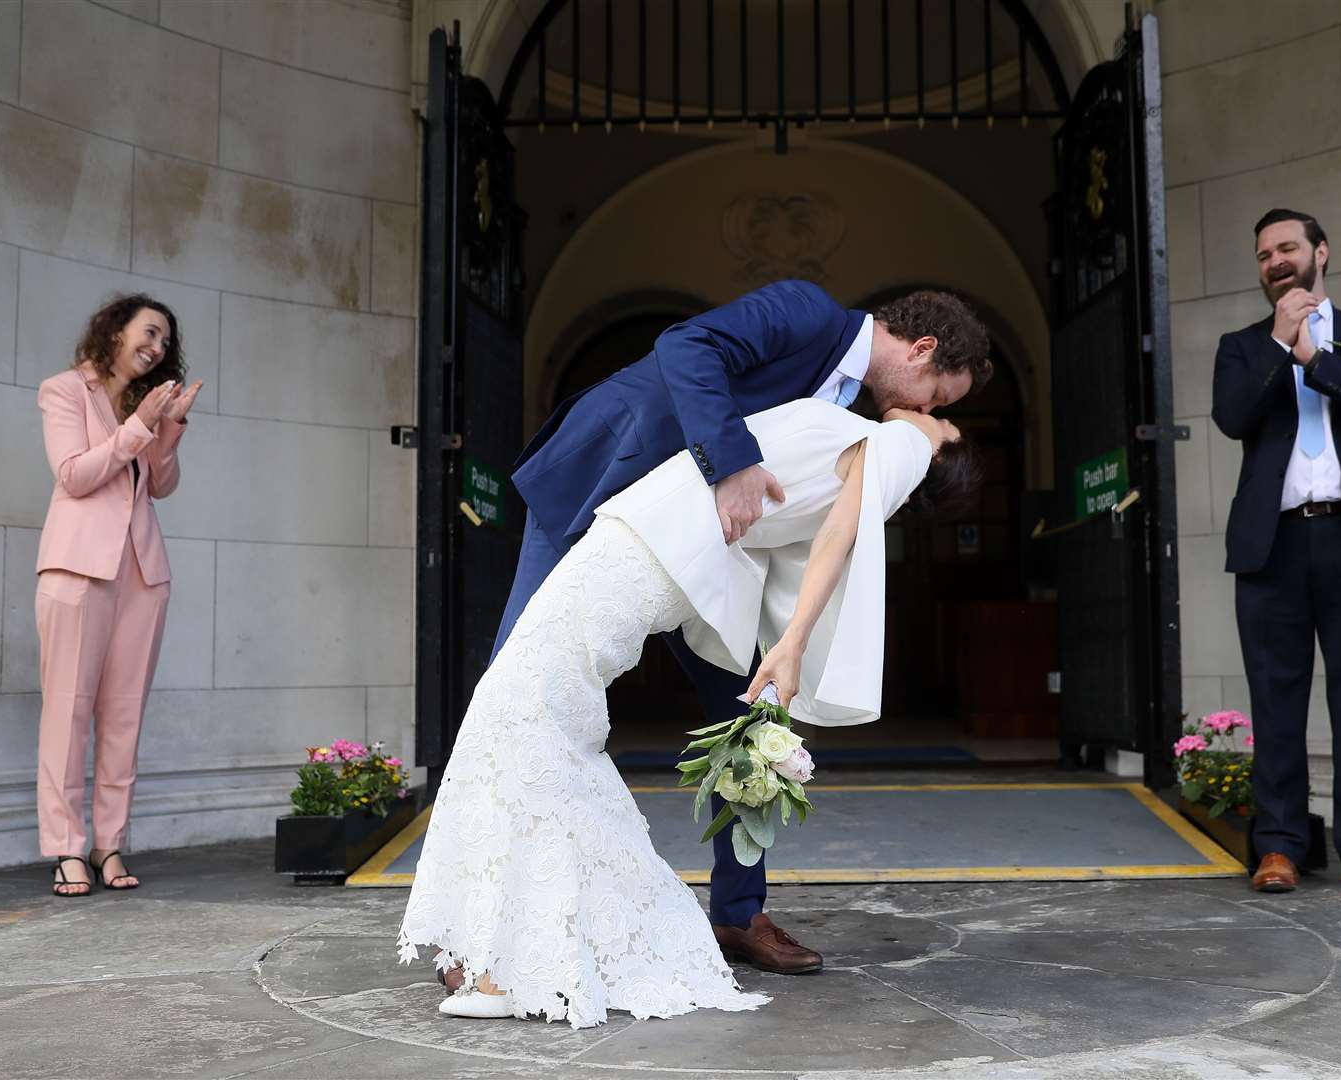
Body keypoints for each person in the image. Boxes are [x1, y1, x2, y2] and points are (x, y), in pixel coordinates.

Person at [397, 397, 977, 1026]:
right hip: (653, 544)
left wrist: (793, 644)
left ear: (943, 455)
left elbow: (839, 536)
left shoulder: (907, 447)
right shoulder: (869, 437)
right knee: (534, 718)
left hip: (647, 547)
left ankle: (504, 962)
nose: (933, 409)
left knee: (521, 709)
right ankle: (514, 948)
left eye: (946, 419)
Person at [488, 280, 992, 972]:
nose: (926, 411)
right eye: (938, 396)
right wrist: (734, 465)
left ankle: (736, 914)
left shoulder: (852, 411)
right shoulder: (810, 311)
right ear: (923, 348)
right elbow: (685, 345)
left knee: (749, 719)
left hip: (706, 558)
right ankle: (485, 919)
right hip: (604, 488)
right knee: (515, 690)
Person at [1211, 209, 1341, 898]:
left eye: (1287, 248)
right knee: (1275, 701)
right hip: (1273, 547)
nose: (1275, 262)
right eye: (1264, 253)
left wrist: (1315, 361)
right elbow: (1233, 416)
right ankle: (1279, 845)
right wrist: (1277, 344)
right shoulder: (1241, 346)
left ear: (1320, 253)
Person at [34, 294, 203, 897]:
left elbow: (160, 483)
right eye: (149, 333)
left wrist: (170, 426)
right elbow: (74, 475)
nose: (157, 348)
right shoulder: (63, 391)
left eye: (164, 341)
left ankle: (109, 844)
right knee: (68, 710)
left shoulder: (144, 407)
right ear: (114, 332)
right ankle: (65, 849)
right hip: (78, 570)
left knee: (124, 715)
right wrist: (138, 427)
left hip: (141, 574)